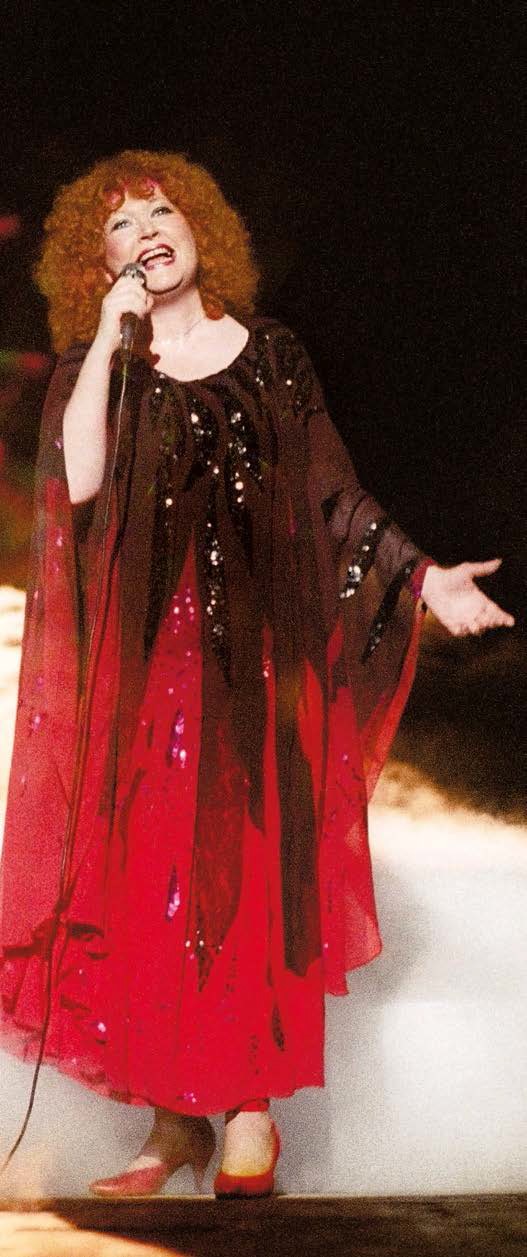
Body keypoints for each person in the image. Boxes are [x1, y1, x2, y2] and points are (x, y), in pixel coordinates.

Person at [0, 150, 513, 1199]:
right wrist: (107, 337)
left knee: (242, 877)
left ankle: (247, 1110)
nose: (147, 229)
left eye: (161, 209)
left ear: (201, 226)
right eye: (120, 224)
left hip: (255, 670)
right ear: (97, 262)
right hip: (145, 668)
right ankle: (172, 1118)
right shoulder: (105, 366)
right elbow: (78, 480)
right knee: (148, 883)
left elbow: (333, 497)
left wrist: (422, 579)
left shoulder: (271, 353)